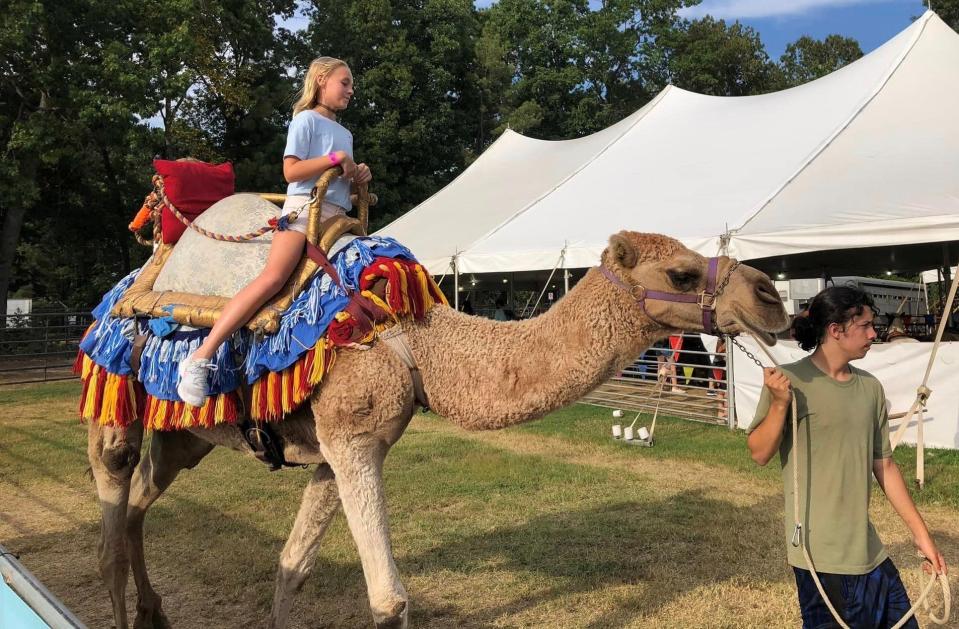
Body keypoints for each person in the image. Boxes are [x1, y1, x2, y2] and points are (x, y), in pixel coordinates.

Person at [177, 56, 372, 406]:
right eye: (345, 82)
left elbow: (344, 188)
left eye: (350, 84)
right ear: (322, 80)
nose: (351, 90)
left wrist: (358, 178)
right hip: (304, 213)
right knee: (273, 279)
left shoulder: (345, 133)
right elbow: (292, 172)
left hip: (338, 219)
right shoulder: (305, 120)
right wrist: (335, 160)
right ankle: (200, 358)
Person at [747, 286, 947, 629]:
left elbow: (884, 464)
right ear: (836, 330)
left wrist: (921, 534)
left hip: (868, 548)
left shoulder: (870, 388)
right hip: (820, 554)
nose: (874, 333)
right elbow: (760, 453)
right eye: (866, 326)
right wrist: (780, 402)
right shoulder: (791, 382)